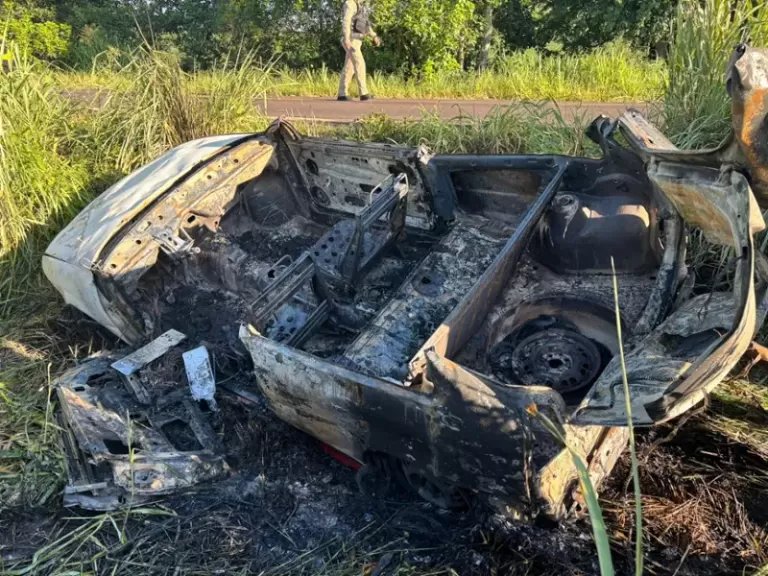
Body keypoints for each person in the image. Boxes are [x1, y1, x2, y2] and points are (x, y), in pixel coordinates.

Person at [337, 0, 381, 101]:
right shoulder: (350, 4)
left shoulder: (362, 6)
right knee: (359, 63)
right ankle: (364, 93)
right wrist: (347, 39)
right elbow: (346, 21)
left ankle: (342, 93)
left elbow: (366, 24)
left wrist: (374, 36)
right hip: (351, 40)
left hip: (357, 40)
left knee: (349, 67)